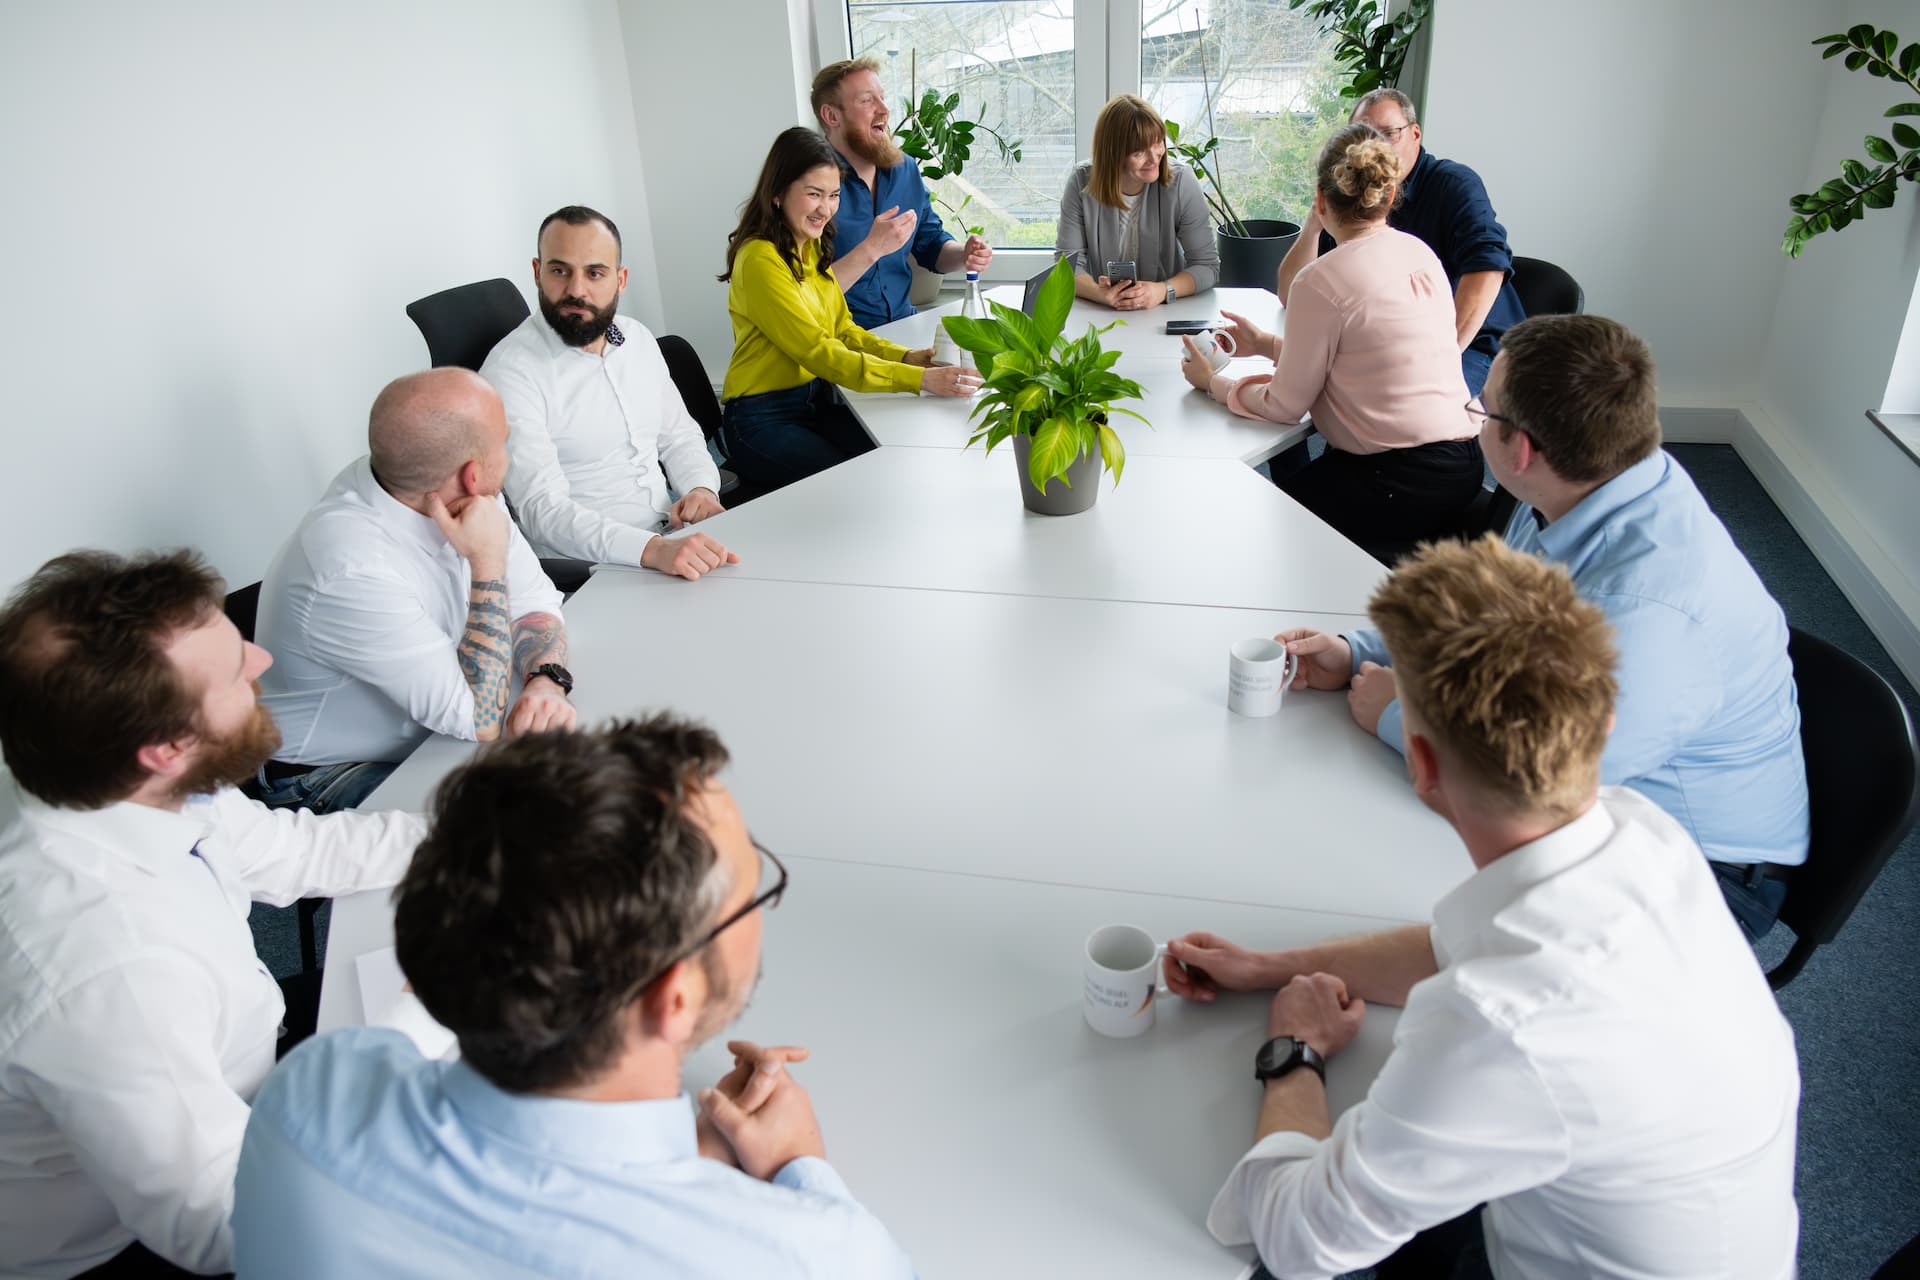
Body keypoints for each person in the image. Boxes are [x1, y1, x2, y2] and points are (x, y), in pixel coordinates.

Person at [1169, 536, 1800, 1280]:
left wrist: (1294, 1055)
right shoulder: (1643, 832)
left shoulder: (1506, 1024)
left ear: (1423, 766)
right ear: (1601, 727)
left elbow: (1298, 1237)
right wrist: (1271, 966)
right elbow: (1454, 945)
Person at [232, 717, 916, 1278]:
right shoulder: (805, 1255)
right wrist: (801, 1167)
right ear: (674, 1000)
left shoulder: (308, 1097)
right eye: (752, 895)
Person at [1278, 314, 1809, 938]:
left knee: (1399, 921)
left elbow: (1539, 790)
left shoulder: (1650, 614)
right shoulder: (1594, 485)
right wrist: (1358, 650)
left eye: (1484, 408)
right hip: (1607, 797)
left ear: (1521, 449)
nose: (1473, 411)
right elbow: (1487, 614)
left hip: (1697, 873)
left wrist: (1400, 713)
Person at [0, 550, 425, 1279]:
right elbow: (231, 1225)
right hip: (130, 1243)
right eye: (235, 671)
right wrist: (414, 1029)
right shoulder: (113, 969)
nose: (261, 658)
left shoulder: (119, 777)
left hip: (239, 1061)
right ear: (164, 748)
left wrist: (492, 830)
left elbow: (291, 851)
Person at [252, 368, 577, 814]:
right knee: (538, 820)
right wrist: (487, 564)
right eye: (504, 443)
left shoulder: (442, 486)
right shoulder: (349, 567)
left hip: (440, 734)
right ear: (471, 474)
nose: (510, 454)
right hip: (329, 774)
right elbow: (478, 720)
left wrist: (546, 681)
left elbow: (534, 602)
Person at [1182, 123, 1482, 557]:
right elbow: (1364, 362)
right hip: (1464, 466)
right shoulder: (1421, 253)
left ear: (1320, 202)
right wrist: (1267, 343)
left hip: (1396, 480)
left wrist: (1213, 382)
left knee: (1257, 528)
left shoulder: (1319, 281)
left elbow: (1285, 406)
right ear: (1390, 196)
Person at [479, 205, 737, 581]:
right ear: (537, 273)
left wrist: (701, 489)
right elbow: (542, 510)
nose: (576, 290)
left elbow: (679, 436)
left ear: (621, 279)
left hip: (673, 539)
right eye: (559, 271)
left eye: (595, 273)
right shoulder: (510, 373)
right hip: (594, 568)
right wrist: (651, 550)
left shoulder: (637, 338)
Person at [719, 126, 980, 494]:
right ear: (777, 193)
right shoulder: (760, 259)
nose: (825, 209)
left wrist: (908, 358)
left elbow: (843, 331)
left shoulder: (807, 245)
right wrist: (918, 380)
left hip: (815, 401)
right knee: (857, 486)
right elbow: (819, 351)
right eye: (813, 194)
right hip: (762, 419)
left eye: (833, 195)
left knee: (893, 460)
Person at [1278, 88, 1524, 397]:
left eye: (1388, 133)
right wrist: (1315, 223)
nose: (1376, 146)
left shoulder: (1455, 184)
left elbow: (1488, 267)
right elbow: (1292, 294)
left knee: (1396, 407)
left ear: (1415, 134)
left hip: (1473, 346)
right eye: (1364, 135)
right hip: (1392, 345)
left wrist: (1439, 358)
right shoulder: (1353, 195)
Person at [811, 57, 992, 331]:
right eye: (867, 101)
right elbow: (804, 294)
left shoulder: (904, 168)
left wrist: (963, 254)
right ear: (832, 116)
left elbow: (930, 244)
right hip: (841, 343)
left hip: (904, 328)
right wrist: (872, 247)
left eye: (882, 98)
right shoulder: (809, 186)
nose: (884, 109)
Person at [1057, 93, 1219, 311]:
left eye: (1158, 143)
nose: (1155, 158)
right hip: (1102, 315)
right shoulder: (1081, 182)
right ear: (1114, 154)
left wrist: (1162, 290)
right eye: (1140, 152)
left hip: (1165, 312)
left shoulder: (1182, 181)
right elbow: (1066, 267)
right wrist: (1101, 294)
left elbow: (1207, 266)